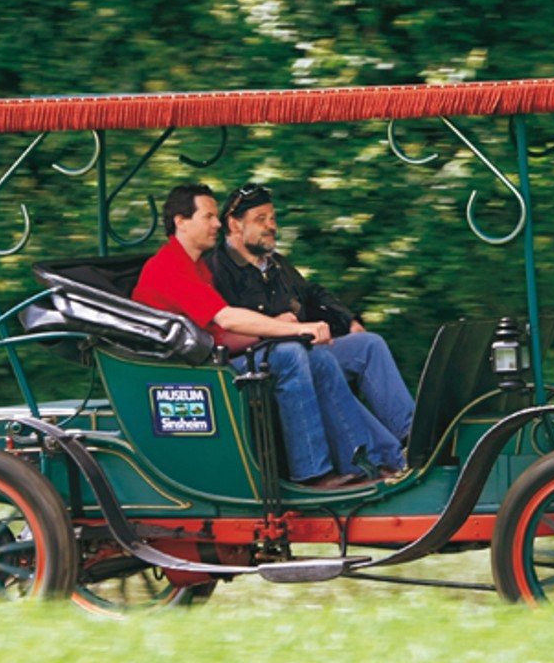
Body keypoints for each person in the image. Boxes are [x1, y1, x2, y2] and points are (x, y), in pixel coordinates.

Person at [131, 183, 400, 488]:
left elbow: (224, 336)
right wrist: (295, 329)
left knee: (319, 358)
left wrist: (285, 334)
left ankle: (369, 464)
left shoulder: (198, 269)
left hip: (210, 362)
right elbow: (228, 318)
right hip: (186, 375)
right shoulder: (168, 267)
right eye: (208, 217)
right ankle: (312, 473)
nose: (217, 224)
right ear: (181, 221)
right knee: (288, 355)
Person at [208, 182, 414, 453]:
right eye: (261, 219)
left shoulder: (276, 264)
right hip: (260, 362)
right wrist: (281, 328)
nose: (271, 225)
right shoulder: (217, 267)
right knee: (321, 361)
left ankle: (413, 437)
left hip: (303, 347)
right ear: (234, 225)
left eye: (273, 218)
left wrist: (348, 321)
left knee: (369, 345)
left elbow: (312, 294)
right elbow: (228, 326)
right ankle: (387, 459)